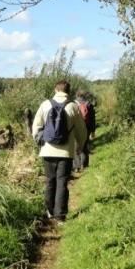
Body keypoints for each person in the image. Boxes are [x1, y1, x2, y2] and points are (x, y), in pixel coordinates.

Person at [32, 80, 87, 223]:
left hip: (47, 151)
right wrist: (80, 145)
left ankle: (49, 211)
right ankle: (60, 216)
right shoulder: (73, 106)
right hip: (65, 153)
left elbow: (36, 126)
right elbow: (82, 130)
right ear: (68, 91)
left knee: (50, 182)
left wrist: (40, 141)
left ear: (55, 89)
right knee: (62, 183)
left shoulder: (45, 104)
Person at [73, 90, 96, 173]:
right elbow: (93, 119)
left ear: (77, 95)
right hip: (87, 128)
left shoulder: (74, 104)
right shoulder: (89, 104)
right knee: (85, 146)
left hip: (76, 128)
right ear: (84, 96)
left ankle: (76, 166)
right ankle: (84, 165)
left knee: (75, 147)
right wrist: (93, 131)